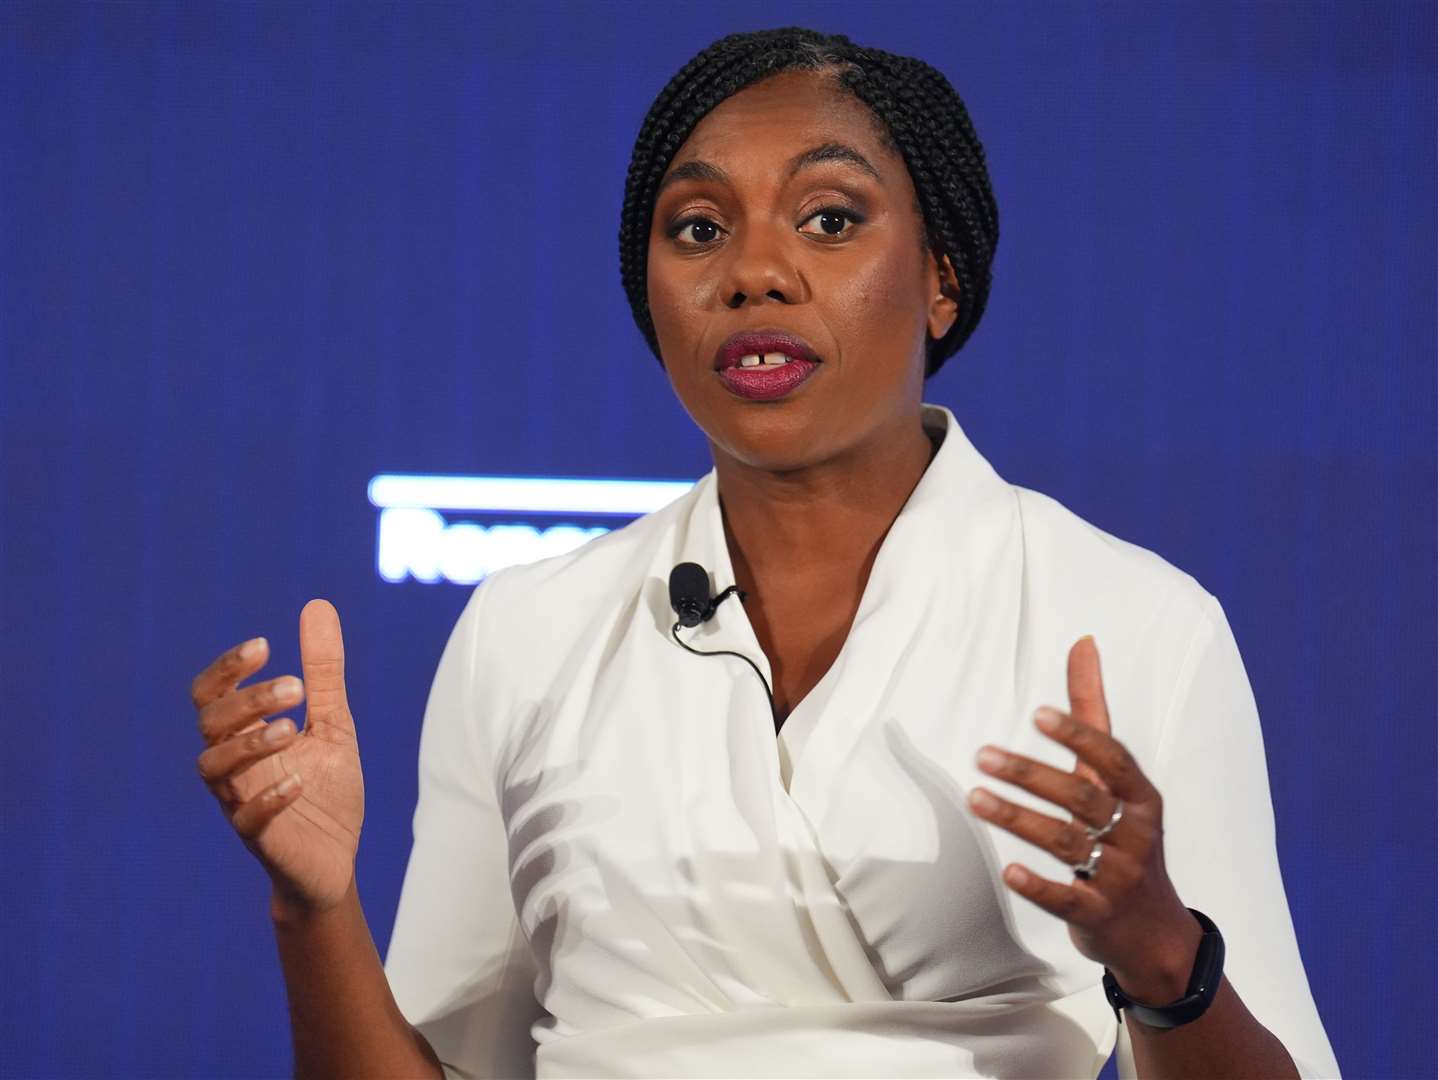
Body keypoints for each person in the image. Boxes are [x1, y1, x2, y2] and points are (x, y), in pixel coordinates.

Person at [190, 27, 1340, 1079]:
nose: (753, 272)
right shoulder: (524, 630)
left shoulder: (1134, 622)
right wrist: (316, 908)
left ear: (942, 277)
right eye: (698, 228)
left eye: (830, 219)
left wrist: (1157, 955)